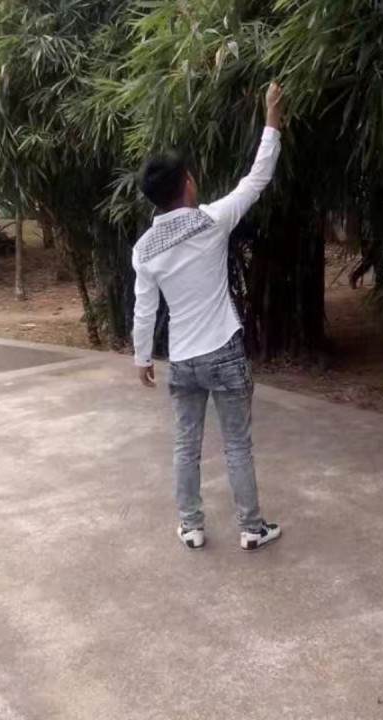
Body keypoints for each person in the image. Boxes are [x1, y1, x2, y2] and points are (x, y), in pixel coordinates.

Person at [132, 82, 284, 551]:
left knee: (186, 445)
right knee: (237, 444)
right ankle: (252, 528)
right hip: (224, 351)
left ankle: (191, 526)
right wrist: (272, 119)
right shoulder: (211, 221)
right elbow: (256, 179)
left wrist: (142, 358)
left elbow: (145, 309)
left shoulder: (144, 249)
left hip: (183, 360)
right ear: (188, 185)